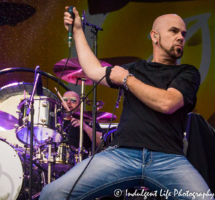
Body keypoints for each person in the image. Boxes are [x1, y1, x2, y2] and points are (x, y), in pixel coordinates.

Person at [39, 7, 214, 200]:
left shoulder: (187, 73)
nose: (181, 37)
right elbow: (93, 71)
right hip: (122, 155)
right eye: (174, 31)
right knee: (52, 193)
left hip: (168, 160)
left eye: (183, 33)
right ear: (155, 36)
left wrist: (127, 80)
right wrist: (78, 31)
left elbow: (168, 103)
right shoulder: (134, 69)